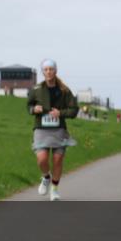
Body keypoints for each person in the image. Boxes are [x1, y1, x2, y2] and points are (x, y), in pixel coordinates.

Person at [27, 59, 79, 201]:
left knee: (57, 159)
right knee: (42, 159)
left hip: (59, 130)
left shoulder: (64, 90)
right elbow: (28, 106)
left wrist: (60, 113)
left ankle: (54, 190)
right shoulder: (36, 89)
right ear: (43, 72)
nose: (48, 72)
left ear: (55, 71)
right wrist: (34, 109)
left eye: (51, 69)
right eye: (46, 69)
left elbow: (74, 110)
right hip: (41, 129)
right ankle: (46, 177)